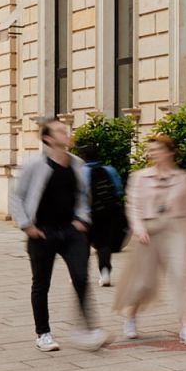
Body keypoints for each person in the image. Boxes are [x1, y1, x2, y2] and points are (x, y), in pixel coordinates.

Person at [9, 119, 109, 352]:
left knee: (81, 277)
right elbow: (17, 196)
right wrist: (26, 225)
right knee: (41, 283)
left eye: (66, 130)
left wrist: (82, 218)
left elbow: (83, 195)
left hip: (71, 232)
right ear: (48, 138)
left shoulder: (77, 163)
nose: (66, 133)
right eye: (60, 131)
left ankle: (88, 329)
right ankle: (43, 333)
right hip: (42, 232)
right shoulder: (34, 165)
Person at [114, 134, 186, 345]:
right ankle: (131, 315)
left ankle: (185, 326)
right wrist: (138, 228)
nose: (152, 153)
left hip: (175, 229)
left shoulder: (183, 178)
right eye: (151, 150)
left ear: (169, 152)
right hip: (148, 231)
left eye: (157, 149)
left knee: (181, 276)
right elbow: (133, 206)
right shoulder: (139, 177)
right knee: (143, 283)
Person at [77, 143, 126, 287]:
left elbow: (77, 195)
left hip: (86, 215)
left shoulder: (80, 172)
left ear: (83, 157)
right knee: (104, 244)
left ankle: (81, 274)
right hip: (106, 214)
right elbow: (119, 190)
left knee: (83, 245)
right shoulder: (109, 170)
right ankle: (105, 273)